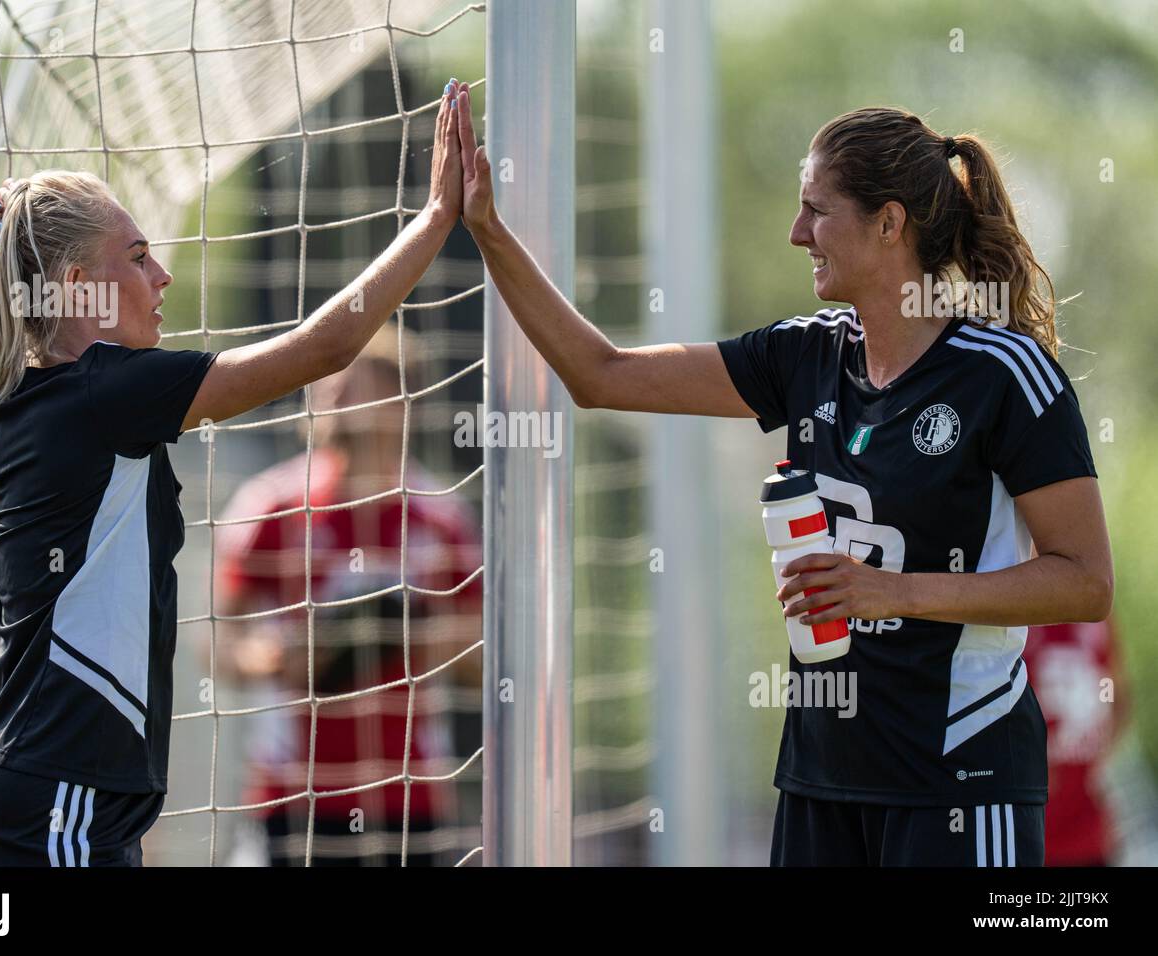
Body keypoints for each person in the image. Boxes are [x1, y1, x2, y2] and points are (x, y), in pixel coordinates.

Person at [449, 85, 1113, 867]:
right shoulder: (804, 356)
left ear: (890, 222)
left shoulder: (1004, 374)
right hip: (820, 783)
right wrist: (486, 232)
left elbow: (1084, 583)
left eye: (817, 209)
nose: (797, 233)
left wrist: (895, 592)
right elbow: (602, 374)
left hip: (961, 783)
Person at [0, 78, 467, 867]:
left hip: (52, 800)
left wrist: (27, 234)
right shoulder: (105, 390)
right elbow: (321, 350)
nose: (164, 277)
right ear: (79, 286)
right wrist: (434, 220)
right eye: (140, 256)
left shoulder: (55, 391)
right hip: (57, 802)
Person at [210, 324, 482, 866]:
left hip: (409, 793)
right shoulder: (271, 508)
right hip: (293, 792)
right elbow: (216, 645)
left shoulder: (442, 518)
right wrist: (276, 659)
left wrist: (396, 638)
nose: (328, 395)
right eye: (323, 383)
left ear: (399, 401)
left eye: (351, 383)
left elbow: (480, 653)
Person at [1023, 616, 1125, 866]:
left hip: (1088, 828)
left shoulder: (1097, 618)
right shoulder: (1020, 615)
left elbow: (1111, 687)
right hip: (1030, 829)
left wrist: (1103, 717)